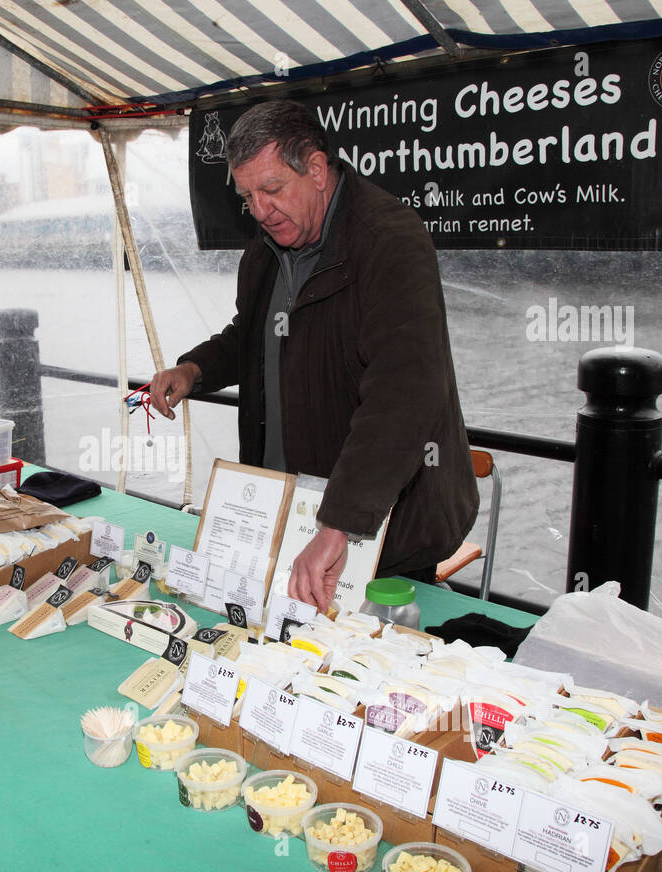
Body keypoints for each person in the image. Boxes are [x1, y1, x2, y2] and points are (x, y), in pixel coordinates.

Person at [150, 100, 477, 611]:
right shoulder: (266, 247)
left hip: (380, 523)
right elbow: (252, 337)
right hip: (292, 508)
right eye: (248, 196)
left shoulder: (389, 241)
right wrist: (195, 369)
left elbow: (404, 392)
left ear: (318, 170)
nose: (259, 211)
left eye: (273, 190)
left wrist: (341, 521)